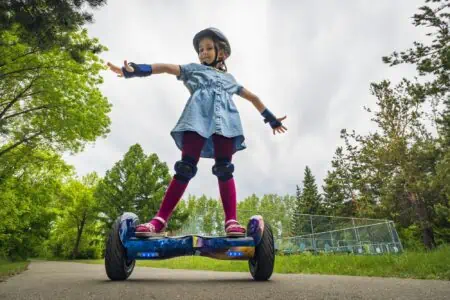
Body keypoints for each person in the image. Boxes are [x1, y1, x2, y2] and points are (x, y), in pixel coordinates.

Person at [107, 27, 287, 237]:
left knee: (224, 169)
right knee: (185, 168)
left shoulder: (230, 80)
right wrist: (136, 70)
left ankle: (231, 221)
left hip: (226, 125)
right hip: (196, 121)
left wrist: (272, 120)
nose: (203, 52)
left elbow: (253, 97)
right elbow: (166, 67)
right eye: (200, 49)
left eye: (209, 48)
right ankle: (159, 220)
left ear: (223, 53)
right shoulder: (194, 70)